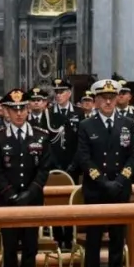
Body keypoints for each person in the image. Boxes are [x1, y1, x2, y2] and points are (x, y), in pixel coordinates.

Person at [76, 79, 134, 267]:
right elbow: (84, 157)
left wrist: (122, 179)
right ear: (95, 101)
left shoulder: (128, 123)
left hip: (120, 188)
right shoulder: (86, 125)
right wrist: (103, 181)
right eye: (103, 98)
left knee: (117, 236)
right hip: (96, 189)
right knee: (94, 238)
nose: (108, 102)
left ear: (117, 99)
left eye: (111, 97)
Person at [0, 89, 54, 267]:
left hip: (32, 200)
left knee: (31, 246)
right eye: (14, 109)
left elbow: (44, 169)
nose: (18, 113)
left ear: (28, 109)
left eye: (22, 108)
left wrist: (30, 193)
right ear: (6, 111)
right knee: (10, 246)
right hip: (8, 201)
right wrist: (12, 194)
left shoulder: (41, 135)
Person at [47, 78, 85, 249]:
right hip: (53, 166)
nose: (58, 95)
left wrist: (74, 164)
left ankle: (69, 238)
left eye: (61, 91)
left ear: (69, 93)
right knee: (54, 202)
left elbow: (81, 142)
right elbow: (46, 142)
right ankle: (57, 237)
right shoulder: (48, 113)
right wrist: (53, 164)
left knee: (70, 202)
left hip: (73, 165)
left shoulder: (79, 113)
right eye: (56, 91)